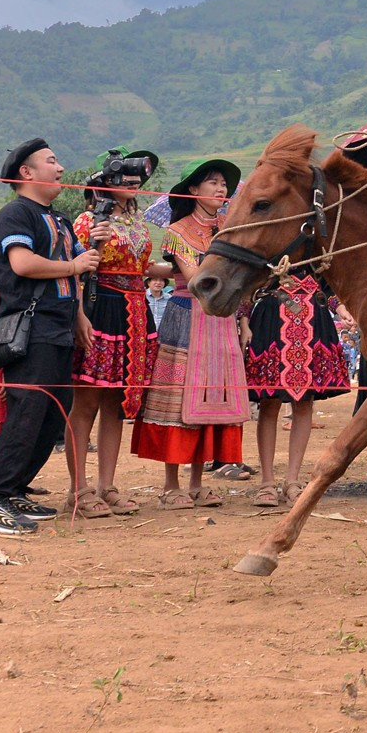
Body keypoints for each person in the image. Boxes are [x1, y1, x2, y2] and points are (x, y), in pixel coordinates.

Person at [0, 140, 97, 536]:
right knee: (26, 414)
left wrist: (78, 313)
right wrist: (74, 264)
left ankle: (14, 490)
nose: (59, 168)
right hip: (32, 327)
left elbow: (73, 271)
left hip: (59, 327)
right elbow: (22, 264)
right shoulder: (15, 213)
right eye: (51, 161)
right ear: (26, 173)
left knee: (53, 414)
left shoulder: (58, 218)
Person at [132, 158, 248, 509]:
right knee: (177, 399)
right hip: (186, 316)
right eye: (212, 182)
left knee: (213, 396)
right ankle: (171, 485)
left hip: (223, 319)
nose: (220, 188)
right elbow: (197, 278)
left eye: (223, 184)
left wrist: (243, 319)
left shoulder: (230, 227)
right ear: (193, 191)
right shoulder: (178, 230)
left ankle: (198, 482)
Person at [69, 149, 165, 518]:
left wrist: (183, 269)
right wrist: (79, 315)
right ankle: (79, 489)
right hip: (102, 307)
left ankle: (106, 486)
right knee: (88, 401)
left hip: (137, 309)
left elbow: (142, 266)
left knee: (116, 402)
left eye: (136, 176)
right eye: (123, 176)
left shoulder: (139, 221)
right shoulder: (87, 220)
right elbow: (77, 270)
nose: (133, 181)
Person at [244, 267, 351, 507]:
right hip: (272, 318)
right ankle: (267, 482)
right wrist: (243, 319)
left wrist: (341, 308)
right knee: (269, 404)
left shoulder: (315, 238)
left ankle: (292, 481)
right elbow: (249, 281)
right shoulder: (269, 238)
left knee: (304, 404)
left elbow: (327, 284)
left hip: (313, 320)